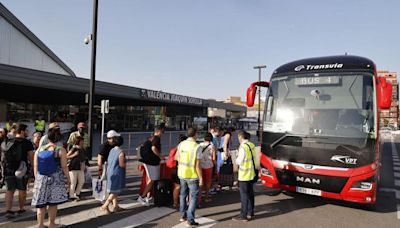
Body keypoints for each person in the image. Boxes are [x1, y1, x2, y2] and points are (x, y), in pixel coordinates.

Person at [31, 127, 70, 228]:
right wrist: (68, 180)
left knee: (41, 203)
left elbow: (35, 166)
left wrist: (37, 179)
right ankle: (52, 223)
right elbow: (64, 167)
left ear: (48, 138)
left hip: (41, 178)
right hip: (55, 179)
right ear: (59, 139)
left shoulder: (39, 150)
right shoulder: (60, 150)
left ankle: (40, 224)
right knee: (53, 203)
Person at [2, 123, 34, 218]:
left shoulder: (8, 141)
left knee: (9, 190)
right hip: (22, 170)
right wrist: (33, 170)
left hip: (9, 169)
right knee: (22, 189)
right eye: (27, 131)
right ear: (23, 131)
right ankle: (21, 208)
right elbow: (31, 158)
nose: (28, 132)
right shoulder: (27, 143)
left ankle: (9, 210)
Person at [175, 128, 203, 227]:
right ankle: (190, 219)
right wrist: (201, 178)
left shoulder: (181, 144)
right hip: (192, 175)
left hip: (182, 173)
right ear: (195, 134)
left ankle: (183, 215)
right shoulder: (197, 147)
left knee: (183, 194)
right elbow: (197, 165)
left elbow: (176, 158)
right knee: (193, 197)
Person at [137, 126, 165, 206]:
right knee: (153, 179)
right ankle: (142, 197)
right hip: (152, 162)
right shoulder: (156, 138)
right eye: (162, 132)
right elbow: (153, 148)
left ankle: (147, 196)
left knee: (151, 179)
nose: (163, 134)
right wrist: (160, 156)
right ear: (158, 131)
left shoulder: (151, 138)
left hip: (147, 161)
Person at [232, 130, 257, 222]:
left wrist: (236, 155)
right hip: (252, 173)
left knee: (244, 196)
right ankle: (251, 213)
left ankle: (244, 215)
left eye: (238, 137)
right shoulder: (252, 145)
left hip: (244, 175)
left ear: (241, 137)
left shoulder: (242, 147)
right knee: (250, 194)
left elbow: (239, 161)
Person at [100, 135, 126, 214]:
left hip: (110, 171)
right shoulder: (121, 152)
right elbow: (121, 164)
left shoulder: (111, 150)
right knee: (115, 191)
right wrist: (125, 164)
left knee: (114, 190)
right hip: (117, 172)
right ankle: (105, 205)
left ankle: (115, 206)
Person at [166, 134, 188, 208]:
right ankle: (176, 202)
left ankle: (176, 202)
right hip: (179, 169)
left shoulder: (174, 149)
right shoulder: (181, 149)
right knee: (178, 186)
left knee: (176, 186)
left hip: (173, 169)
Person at [198, 132, 216, 206]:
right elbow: (214, 158)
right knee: (208, 180)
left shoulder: (200, 145)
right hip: (209, 165)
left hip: (200, 165)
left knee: (200, 180)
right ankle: (207, 195)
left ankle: (199, 196)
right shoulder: (212, 146)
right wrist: (216, 166)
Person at [67, 136, 86, 201]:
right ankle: (71, 195)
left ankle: (77, 193)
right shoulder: (74, 148)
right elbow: (67, 156)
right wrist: (74, 155)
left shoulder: (83, 148)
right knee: (73, 182)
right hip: (73, 166)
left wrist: (85, 165)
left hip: (81, 166)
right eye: (82, 140)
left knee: (81, 181)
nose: (83, 142)